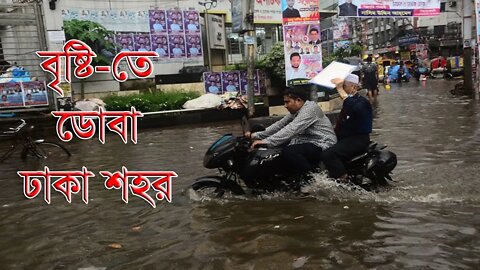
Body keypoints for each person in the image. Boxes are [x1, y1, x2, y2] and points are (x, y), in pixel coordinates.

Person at [246, 86, 337, 175]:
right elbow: (279, 125)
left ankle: (311, 180)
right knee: (276, 154)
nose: (285, 106)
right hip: (305, 140)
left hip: (322, 142)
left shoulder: (310, 109)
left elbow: (291, 129)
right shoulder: (297, 111)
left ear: (298, 100)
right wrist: (254, 135)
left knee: (289, 152)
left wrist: (267, 141)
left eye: (287, 102)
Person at [322, 74, 373, 181]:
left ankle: (343, 179)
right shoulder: (351, 102)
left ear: (353, 87)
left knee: (329, 154)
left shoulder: (362, 102)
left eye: (344, 86)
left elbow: (354, 109)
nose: (341, 90)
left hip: (357, 139)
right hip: (345, 138)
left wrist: (340, 90)